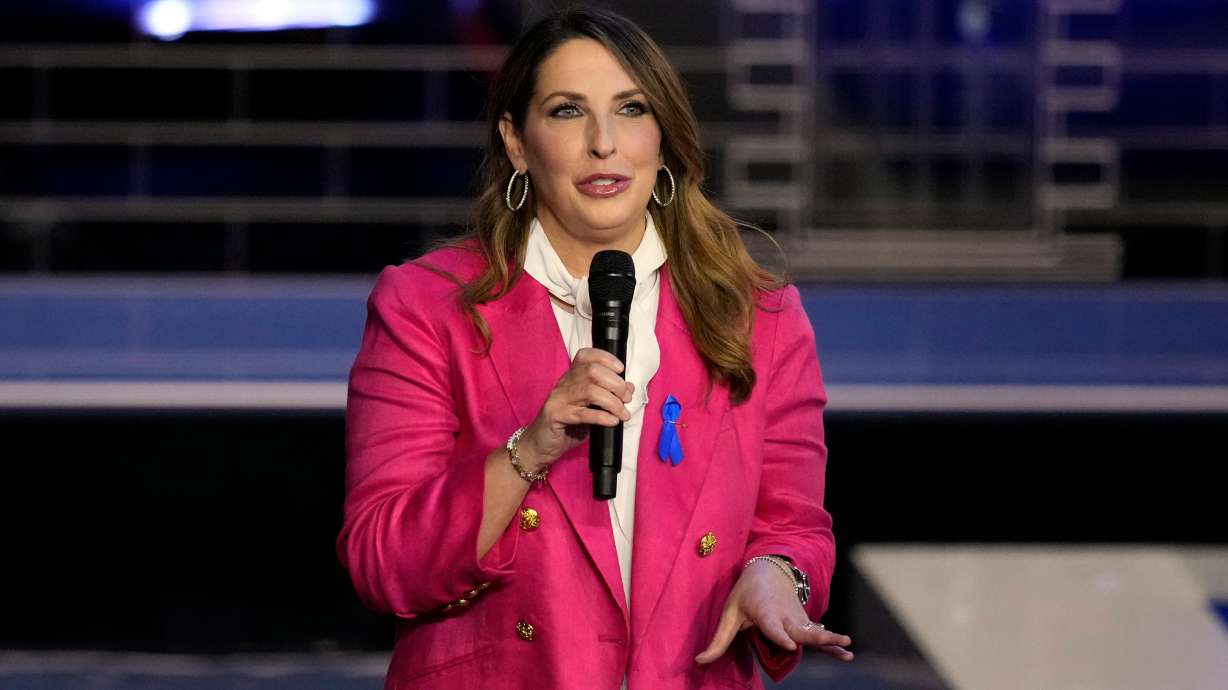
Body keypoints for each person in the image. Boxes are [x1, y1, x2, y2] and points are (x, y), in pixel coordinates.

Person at [337, 8, 852, 689]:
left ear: (663, 136)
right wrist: (534, 446)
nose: (604, 143)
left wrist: (775, 574)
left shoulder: (760, 318)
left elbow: (795, 528)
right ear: (518, 143)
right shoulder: (426, 307)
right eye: (568, 112)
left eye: (630, 109)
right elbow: (383, 560)